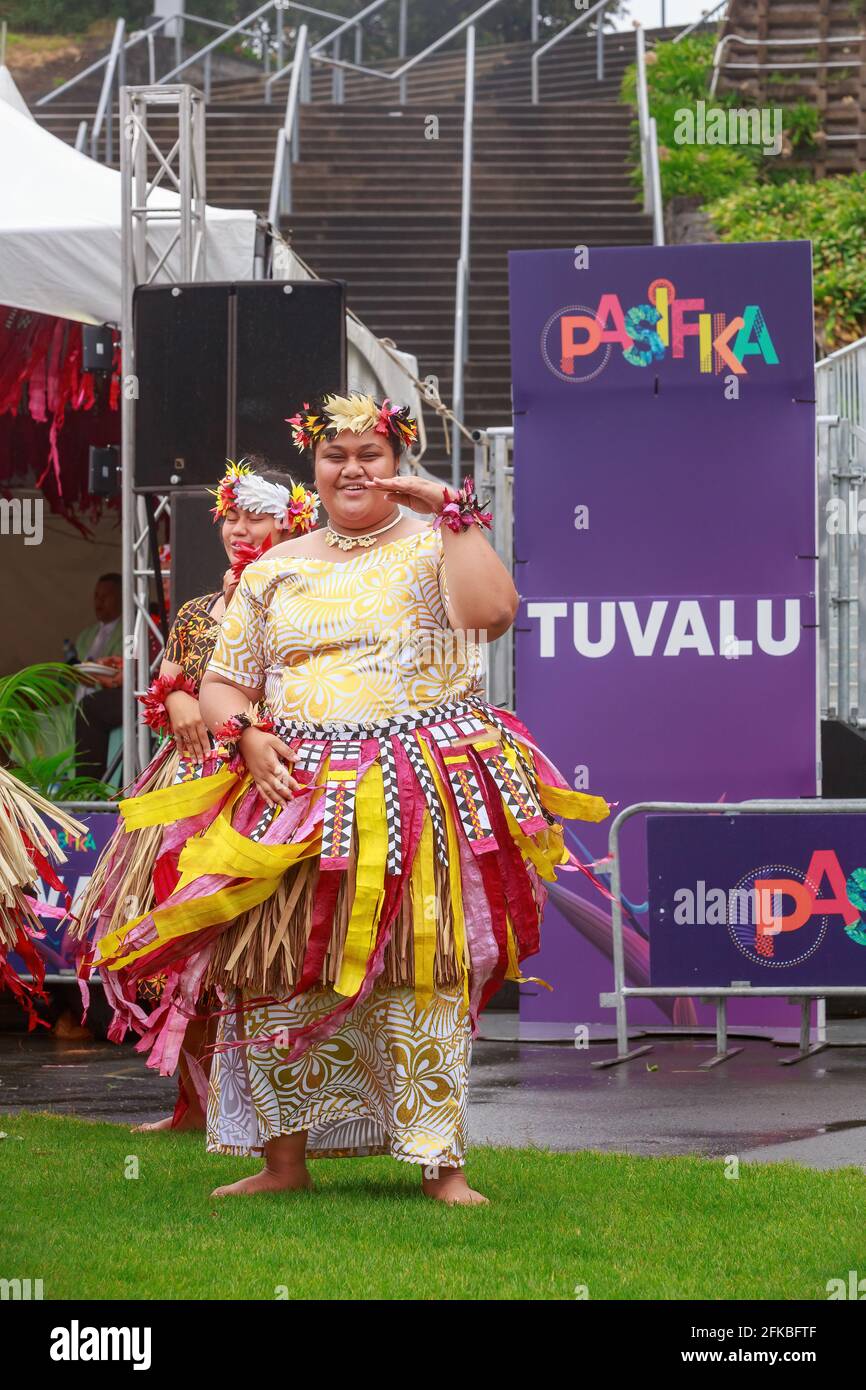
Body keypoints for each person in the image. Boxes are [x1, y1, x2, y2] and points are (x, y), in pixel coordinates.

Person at [95, 392, 611, 1205]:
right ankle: (283, 1164)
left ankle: (442, 1167)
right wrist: (246, 735)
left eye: (370, 453)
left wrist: (451, 510)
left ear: (397, 460)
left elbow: (491, 614)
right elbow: (226, 683)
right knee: (279, 967)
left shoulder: (438, 540)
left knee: (424, 964)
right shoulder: (275, 568)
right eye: (335, 456)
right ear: (316, 468)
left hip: (421, 783)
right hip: (296, 792)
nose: (353, 469)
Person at [72, 460, 319, 1132]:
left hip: (270, 787)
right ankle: (193, 1104)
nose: (240, 529)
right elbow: (168, 682)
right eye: (231, 516)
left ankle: (284, 1115)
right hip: (187, 792)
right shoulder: (196, 612)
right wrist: (178, 696)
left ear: (292, 522)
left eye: (257, 516)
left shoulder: (306, 603)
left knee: (259, 944)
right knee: (184, 938)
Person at [73, 573, 126, 778]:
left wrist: (100, 675)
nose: (99, 602)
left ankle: (87, 785)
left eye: (105, 596)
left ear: (121, 596)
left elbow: (124, 672)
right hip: (80, 692)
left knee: (89, 708)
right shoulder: (85, 635)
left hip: (110, 692)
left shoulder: (129, 628)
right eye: (96, 596)